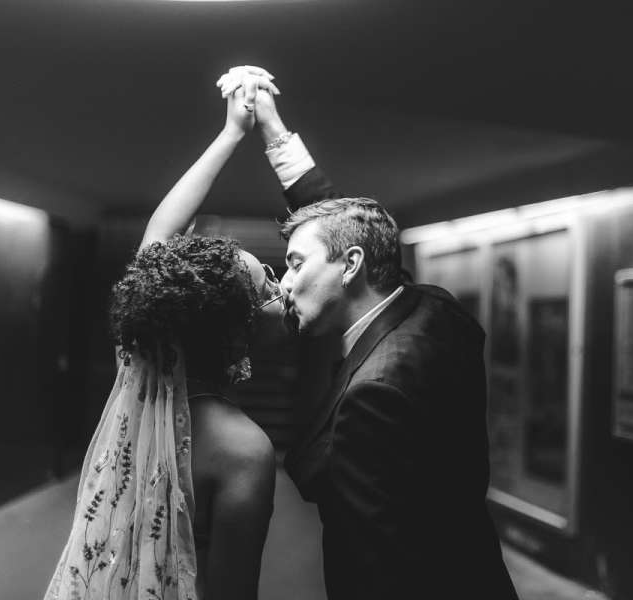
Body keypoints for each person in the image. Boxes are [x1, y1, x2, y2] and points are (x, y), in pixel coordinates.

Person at [219, 66, 520, 599]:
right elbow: (344, 230)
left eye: (294, 263)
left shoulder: (374, 394)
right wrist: (272, 128)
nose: (284, 282)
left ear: (352, 266)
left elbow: (375, 563)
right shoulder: (433, 310)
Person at [45, 68, 284, 600]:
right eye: (267, 285)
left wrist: (232, 132)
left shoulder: (139, 366)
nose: (282, 287)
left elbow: (159, 238)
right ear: (235, 332)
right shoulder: (244, 450)